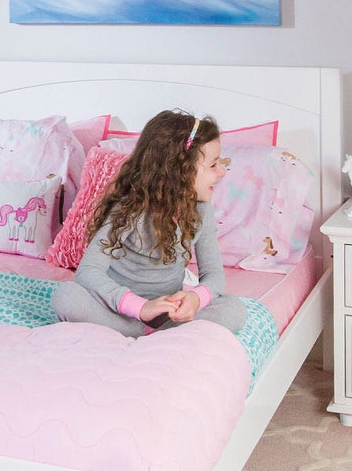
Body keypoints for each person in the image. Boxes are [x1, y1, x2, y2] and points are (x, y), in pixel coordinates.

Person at [52, 110, 247, 338]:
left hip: (169, 318)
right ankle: (150, 335)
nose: (222, 171)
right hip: (120, 312)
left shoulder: (201, 211)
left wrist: (195, 298)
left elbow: (214, 275)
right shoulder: (130, 209)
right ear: (179, 170)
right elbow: (88, 271)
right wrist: (141, 308)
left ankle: (158, 334)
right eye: (213, 165)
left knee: (235, 309)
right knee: (66, 296)